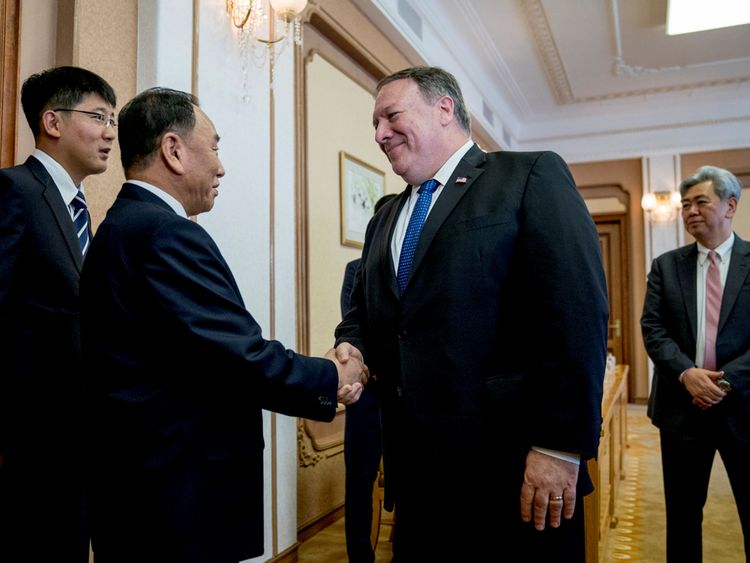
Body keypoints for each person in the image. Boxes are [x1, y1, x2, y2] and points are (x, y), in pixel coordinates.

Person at [79, 87, 366, 563]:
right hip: (175, 497)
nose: (221, 166)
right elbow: (238, 355)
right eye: (214, 146)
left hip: (142, 490)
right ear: (173, 150)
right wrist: (332, 377)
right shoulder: (166, 233)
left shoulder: (125, 225)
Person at [333, 66, 609, 561]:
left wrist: (559, 446)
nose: (379, 134)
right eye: (374, 124)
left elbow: (575, 314)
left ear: (444, 109)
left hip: (513, 471)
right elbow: (367, 315)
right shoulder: (383, 216)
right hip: (416, 475)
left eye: (391, 116)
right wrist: (351, 348)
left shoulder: (528, 175)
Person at [0, 66, 117, 562]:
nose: (111, 131)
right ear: (53, 121)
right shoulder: (14, 191)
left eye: (113, 118)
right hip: (33, 435)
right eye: (98, 116)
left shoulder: (80, 207)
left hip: (80, 430)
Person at [641, 165, 749, 562]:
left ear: (730, 205)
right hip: (681, 411)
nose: (690, 210)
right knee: (683, 518)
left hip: (743, 408)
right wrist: (687, 374)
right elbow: (652, 328)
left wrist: (722, 384)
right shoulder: (666, 266)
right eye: (685, 204)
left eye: (701, 201)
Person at [340, 193, 397, 563]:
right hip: (365, 393)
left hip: (406, 394)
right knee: (358, 482)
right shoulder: (355, 269)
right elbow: (352, 324)